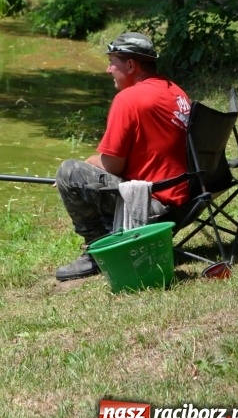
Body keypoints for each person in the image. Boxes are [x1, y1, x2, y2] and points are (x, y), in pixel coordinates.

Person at [54, 32, 192, 281]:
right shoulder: (176, 92)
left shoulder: (128, 99)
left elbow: (112, 164)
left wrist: (86, 165)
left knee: (68, 172)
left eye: (112, 62)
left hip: (155, 206)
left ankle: (97, 250)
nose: (108, 70)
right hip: (187, 200)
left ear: (130, 65)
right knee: (80, 173)